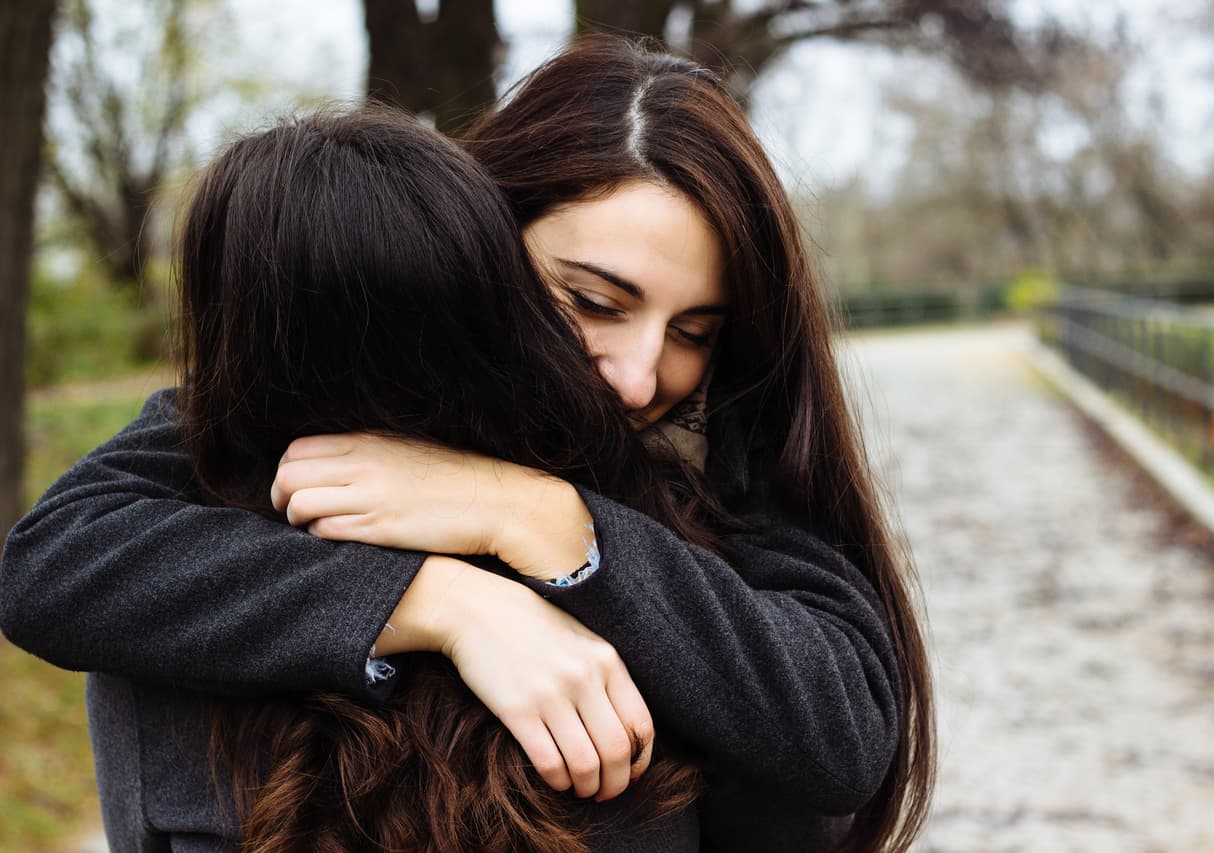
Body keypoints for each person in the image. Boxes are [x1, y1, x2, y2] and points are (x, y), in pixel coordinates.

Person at [1, 37, 933, 852]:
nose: (641, 377)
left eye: (695, 332)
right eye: (595, 302)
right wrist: (440, 601)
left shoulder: (711, 487)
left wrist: (545, 521)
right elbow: (55, 560)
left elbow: (843, 724)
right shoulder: (276, 411)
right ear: (476, 241)